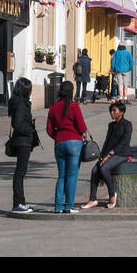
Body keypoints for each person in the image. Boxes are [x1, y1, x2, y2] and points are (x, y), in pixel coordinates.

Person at [45, 80, 87, 213]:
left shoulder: (53, 108)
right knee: (72, 176)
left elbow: (49, 129)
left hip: (59, 143)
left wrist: (57, 137)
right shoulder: (74, 106)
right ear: (71, 91)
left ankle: (58, 207)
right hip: (74, 142)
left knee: (61, 176)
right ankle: (68, 206)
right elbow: (81, 127)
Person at [83, 101, 132, 210]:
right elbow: (108, 142)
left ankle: (112, 194)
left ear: (122, 112)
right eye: (111, 110)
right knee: (95, 170)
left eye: (115, 110)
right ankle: (93, 199)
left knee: (104, 169)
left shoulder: (127, 124)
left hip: (122, 153)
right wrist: (102, 155)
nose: (112, 113)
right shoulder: (111, 125)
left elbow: (124, 142)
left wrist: (109, 155)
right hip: (109, 154)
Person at [8, 77, 38, 213]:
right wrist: (29, 130)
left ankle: (21, 202)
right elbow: (17, 124)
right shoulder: (21, 104)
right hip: (22, 141)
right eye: (30, 88)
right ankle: (18, 203)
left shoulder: (21, 103)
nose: (32, 91)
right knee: (20, 172)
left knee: (21, 172)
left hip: (24, 141)